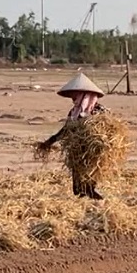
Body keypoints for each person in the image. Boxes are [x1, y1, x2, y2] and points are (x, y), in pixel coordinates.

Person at [37, 71, 107, 199]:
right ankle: (84, 195)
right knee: (77, 186)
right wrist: (50, 141)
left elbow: (106, 131)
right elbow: (66, 129)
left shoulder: (99, 111)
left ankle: (92, 195)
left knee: (89, 176)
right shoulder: (74, 112)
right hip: (76, 150)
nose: (73, 99)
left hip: (92, 150)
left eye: (76, 96)